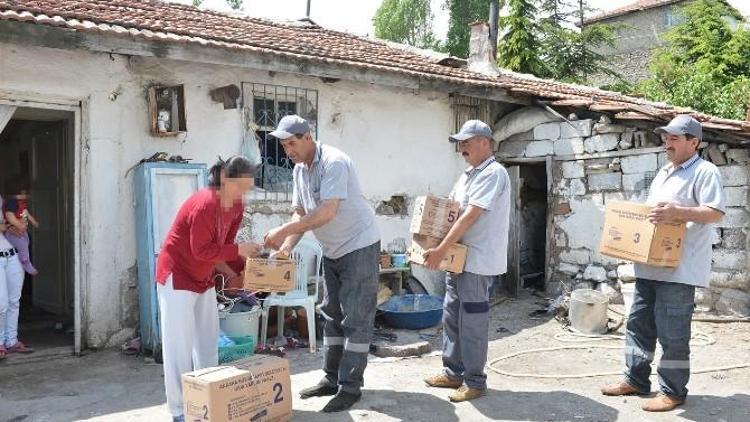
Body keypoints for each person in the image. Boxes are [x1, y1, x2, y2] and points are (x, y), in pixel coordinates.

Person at [601, 115, 725, 412]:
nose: (667, 142)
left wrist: (678, 212)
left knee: (673, 333)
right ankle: (635, 379)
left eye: (674, 138)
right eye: (666, 137)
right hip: (650, 265)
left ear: (693, 142)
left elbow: (715, 213)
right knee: (638, 324)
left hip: (679, 270)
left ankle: (673, 391)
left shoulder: (705, 171)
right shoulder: (665, 171)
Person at [263, 115, 380, 413]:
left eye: (292, 143)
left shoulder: (334, 162)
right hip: (333, 250)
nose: (288, 150)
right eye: (284, 145)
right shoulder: (299, 170)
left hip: (358, 245)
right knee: (331, 314)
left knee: (356, 318)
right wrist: (287, 248)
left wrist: (281, 233)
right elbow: (300, 213)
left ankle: (350, 387)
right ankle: (331, 379)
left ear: (308, 136)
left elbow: (327, 212)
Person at [155, 156, 263, 422]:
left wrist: (244, 269)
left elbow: (222, 249)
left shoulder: (235, 205)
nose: (243, 194)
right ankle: (180, 410)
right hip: (177, 275)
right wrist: (239, 252)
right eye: (240, 187)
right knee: (178, 346)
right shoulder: (205, 203)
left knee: (207, 339)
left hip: (202, 277)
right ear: (225, 179)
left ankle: (208, 399)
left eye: (248, 188)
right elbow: (201, 250)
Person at [422, 120, 510, 403]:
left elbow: (470, 216)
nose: (461, 148)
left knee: (472, 323)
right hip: (458, 259)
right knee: (452, 317)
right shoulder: (468, 175)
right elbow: (450, 211)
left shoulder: (494, 173)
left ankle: (475, 381)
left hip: (477, 262)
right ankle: (453, 373)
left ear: (485, 142)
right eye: (459, 143)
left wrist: (439, 249)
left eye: (466, 142)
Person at [0, 193, 34, 359]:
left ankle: (11, 341)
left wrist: (11, 225)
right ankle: (0, 343)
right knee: (1, 303)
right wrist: (4, 226)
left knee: (14, 301)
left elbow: (12, 220)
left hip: (11, 254)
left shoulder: (4, 199)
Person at [3, 177, 40, 275]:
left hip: (20, 231)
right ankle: (25, 262)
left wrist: (33, 221)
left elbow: (26, 212)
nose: (25, 196)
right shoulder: (12, 201)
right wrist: (18, 225)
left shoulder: (20, 202)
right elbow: (9, 216)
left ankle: (22, 260)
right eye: (23, 193)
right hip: (13, 233)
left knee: (26, 241)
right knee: (23, 245)